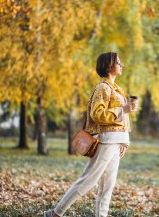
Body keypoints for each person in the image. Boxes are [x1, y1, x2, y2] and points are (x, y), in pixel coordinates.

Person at [44, 52, 138, 217]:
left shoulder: (118, 90)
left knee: (107, 186)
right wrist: (123, 109)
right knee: (88, 180)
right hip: (106, 141)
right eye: (118, 62)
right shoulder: (103, 88)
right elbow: (97, 114)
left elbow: (124, 120)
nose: (122, 64)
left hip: (116, 142)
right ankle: (55, 213)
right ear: (109, 65)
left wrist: (125, 142)